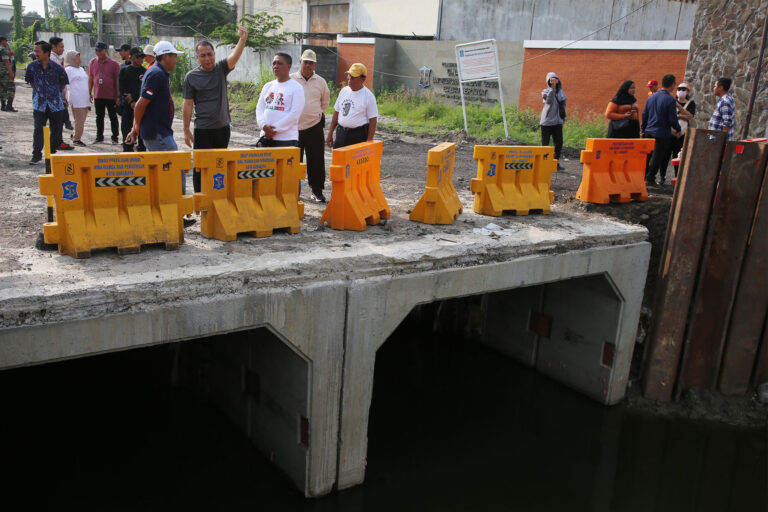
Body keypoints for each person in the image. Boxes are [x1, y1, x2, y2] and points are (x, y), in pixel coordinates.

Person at [126, 41, 193, 227]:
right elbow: (140, 104)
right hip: (157, 133)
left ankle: (166, 213)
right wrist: (135, 127)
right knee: (172, 171)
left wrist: (137, 127)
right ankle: (174, 214)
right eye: (174, 57)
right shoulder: (156, 74)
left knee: (163, 173)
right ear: (165, 56)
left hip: (157, 131)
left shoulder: (158, 73)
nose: (176, 61)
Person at [183, 24, 248, 193]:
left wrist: (242, 40)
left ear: (214, 55)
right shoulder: (191, 77)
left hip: (222, 129)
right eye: (203, 55)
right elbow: (188, 104)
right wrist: (185, 129)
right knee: (200, 166)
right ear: (197, 57)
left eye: (210, 54)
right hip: (203, 129)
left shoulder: (220, 69)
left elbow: (234, 57)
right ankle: (200, 197)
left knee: (220, 164)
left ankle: (217, 194)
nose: (207, 59)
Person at [25, 40, 73, 164]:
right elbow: (31, 82)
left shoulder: (57, 68)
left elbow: (63, 85)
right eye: (35, 51)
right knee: (38, 129)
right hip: (39, 104)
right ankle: (36, 155)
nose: (36, 53)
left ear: (47, 53)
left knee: (56, 130)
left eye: (38, 51)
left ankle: (51, 154)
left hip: (55, 104)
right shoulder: (31, 67)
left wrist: (57, 97)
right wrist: (40, 92)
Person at [291, 49, 330, 202]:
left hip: (314, 126)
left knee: (317, 160)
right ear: (300, 62)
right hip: (293, 127)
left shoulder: (321, 82)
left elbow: (325, 103)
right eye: (305, 62)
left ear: (315, 65)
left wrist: (313, 113)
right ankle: (293, 192)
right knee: (293, 161)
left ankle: (317, 191)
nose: (308, 65)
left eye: (311, 63)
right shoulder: (290, 79)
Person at [255, 52, 305, 148]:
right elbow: (259, 108)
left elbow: (294, 114)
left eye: (279, 63)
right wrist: (263, 126)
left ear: (289, 66)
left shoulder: (296, 88)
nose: (276, 66)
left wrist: (274, 129)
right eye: (274, 63)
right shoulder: (268, 86)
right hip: (265, 137)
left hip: (286, 139)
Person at [326, 63, 378, 149]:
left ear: (363, 79)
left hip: (357, 136)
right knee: (338, 161)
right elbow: (336, 113)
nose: (349, 79)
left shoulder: (368, 96)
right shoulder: (344, 91)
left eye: (353, 77)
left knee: (353, 162)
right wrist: (330, 133)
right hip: (341, 133)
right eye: (349, 76)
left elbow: (373, 121)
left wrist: (368, 143)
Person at [642, 73, 681, 185]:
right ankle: (650, 178)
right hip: (662, 132)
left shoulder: (651, 97)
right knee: (657, 156)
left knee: (647, 155)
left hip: (649, 131)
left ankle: (643, 176)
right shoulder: (670, 99)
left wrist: (643, 129)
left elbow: (645, 114)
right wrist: (678, 129)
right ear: (672, 84)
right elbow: (672, 119)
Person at [88, 41, 121, 144]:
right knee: (99, 117)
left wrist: (118, 95)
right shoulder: (92, 62)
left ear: (105, 50)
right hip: (98, 94)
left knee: (113, 116)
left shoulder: (114, 64)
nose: (98, 52)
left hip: (110, 95)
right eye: (96, 50)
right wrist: (89, 92)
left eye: (100, 50)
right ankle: (99, 136)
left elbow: (117, 80)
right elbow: (91, 78)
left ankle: (115, 137)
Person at [118, 47, 146, 152]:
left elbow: (145, 89)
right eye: (138, 57)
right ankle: (128, 154)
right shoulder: (124, 70)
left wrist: (135, 98)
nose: (140, 59)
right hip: (128, 107)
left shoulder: (146, 72)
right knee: (127, 132)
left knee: (142, 135)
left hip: (142, 106)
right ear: (131, 57)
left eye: (142, 57)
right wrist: (130, 101)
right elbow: (122, 89)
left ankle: (142, 154)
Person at [539, 71, 566, 170]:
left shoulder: (562, 94)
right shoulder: (545, 92)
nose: (554, 81)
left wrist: (563, 120)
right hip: (546, 122)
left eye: (555, 79)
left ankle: (555, 162)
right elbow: (549, 101)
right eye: (551, 79)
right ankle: (543, 162)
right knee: (545, 143)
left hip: (558, 122)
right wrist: (552, 88)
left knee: (559, 143)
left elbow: (563, 107)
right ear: (548, 81)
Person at [63, 50, 89, 147]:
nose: (79, 58)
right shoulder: (68, 70)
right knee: (79, 120)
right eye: (77, 57)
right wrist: (65, 98)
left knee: (82, 119)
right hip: (76, 98)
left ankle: (75, 134)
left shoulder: (81, 69)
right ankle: (77, 139)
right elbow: (65, 85)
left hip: (84, 98)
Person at [670, 82, 696, 176]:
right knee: (666, 154)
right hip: (671, 132)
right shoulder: (672, 101)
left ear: (688, 91)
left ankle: (678, 175)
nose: (681, 91)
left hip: (683, 133)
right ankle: (662, 176)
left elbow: (690, 116)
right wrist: (682, 115)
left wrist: (678, 114)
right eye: (679, 89)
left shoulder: (691, 103)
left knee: (679, 154)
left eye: (684, 89)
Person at [49, 36, 74, 131]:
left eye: (63, 47)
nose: (63, 49)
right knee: (56, 121)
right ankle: (57, 142)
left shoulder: (57, 58)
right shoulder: (52, 59)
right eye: (61, 47)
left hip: (60, 93)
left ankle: (59, 140)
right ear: (53, 47)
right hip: (56, 93)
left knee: (59, 119)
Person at [0, 35, 16, 112]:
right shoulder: (3, 50)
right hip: (4, 72)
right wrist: (11, 73)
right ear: (2, 41)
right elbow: (6, 62)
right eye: (6, 41)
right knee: (11, 88)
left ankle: (3, 105)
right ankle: (9, 105)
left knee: (2, 89)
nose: (6, 42)